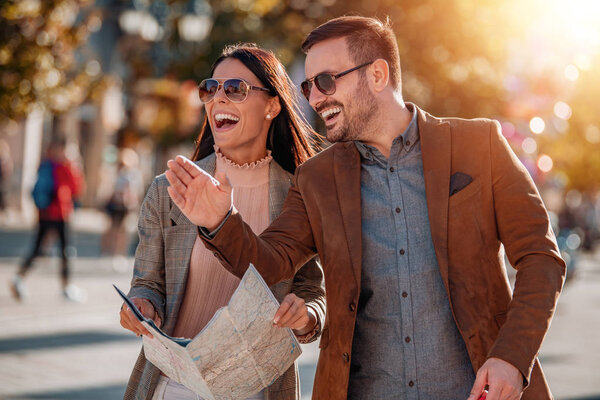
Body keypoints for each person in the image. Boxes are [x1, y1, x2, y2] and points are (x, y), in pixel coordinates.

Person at [165, 16, 566, 400]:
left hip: (478, 391)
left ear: (377, 75)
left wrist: (511, 359)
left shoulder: (479, 144)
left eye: (325, 82)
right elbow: (270, 261)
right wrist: (220, 221)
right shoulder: (316, 179)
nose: (316, 99)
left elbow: (540, 259)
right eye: (308, 88)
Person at [119, 43, 326, 400]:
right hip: (173, 383)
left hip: (257, 388)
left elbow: (313, 295)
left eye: (235, 89)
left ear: (272, 106)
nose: (219, 99)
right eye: (210, 89)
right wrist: (141, 307)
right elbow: (147, 284)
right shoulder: (169, 190)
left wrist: (306, 314)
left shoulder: (301, 193)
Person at [11, 137, 85, 302]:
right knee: (64, 251)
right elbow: (76, 188)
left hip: (46, 213)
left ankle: (19, 277)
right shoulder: (62, 167)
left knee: (40, 248)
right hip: (59, 213)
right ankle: (66, 287)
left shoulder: (46, 165)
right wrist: (73, 165)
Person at [101, 147, 142, 257]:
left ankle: (120, 252)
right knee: (113, 228)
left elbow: (136, 191)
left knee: (124, 230)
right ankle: (108, 250)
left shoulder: (135, 174)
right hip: (116, 204)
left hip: (127, 206)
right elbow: (111, 188)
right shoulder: (117, 172)